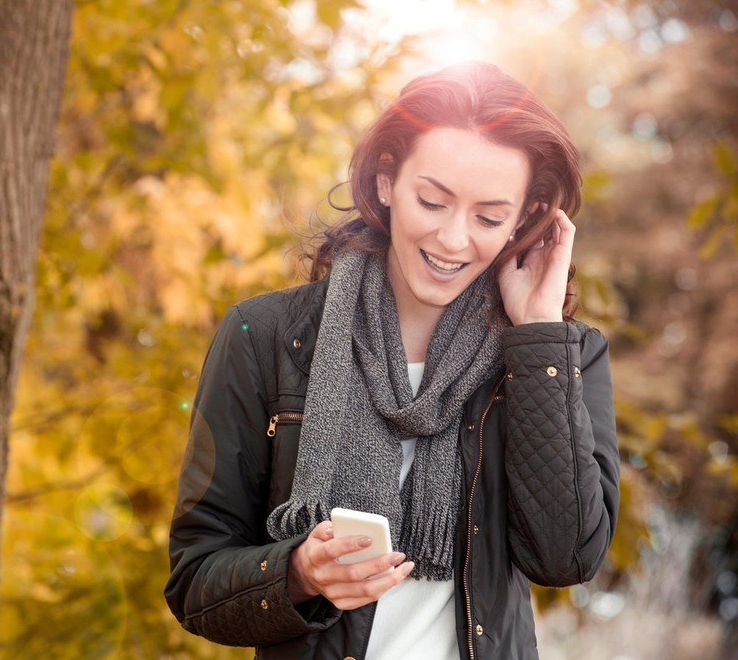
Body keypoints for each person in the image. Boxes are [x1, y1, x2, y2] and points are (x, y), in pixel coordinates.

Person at [164, 60, 620, 660]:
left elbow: (567, 557)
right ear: (386, 181)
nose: (454, 240)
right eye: (433, 201)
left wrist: (535, 336)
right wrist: (298, 575)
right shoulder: (264, 336)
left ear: (524, 220)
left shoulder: (561, 357)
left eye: (488, 217)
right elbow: (196, 579)